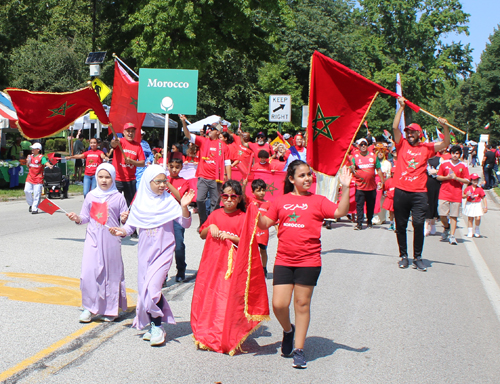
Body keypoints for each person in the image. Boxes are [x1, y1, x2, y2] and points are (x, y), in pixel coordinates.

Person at [257, 161, 352, 369]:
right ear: (291, 179)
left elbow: (340, 211)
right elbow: (264, 224)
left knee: (302, 304)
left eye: (309, 175)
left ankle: (299, 350)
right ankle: (288, 331)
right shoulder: (280, 201)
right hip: (284, 260)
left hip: (309, 261)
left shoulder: (318, 201)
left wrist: (345, 187)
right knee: (279, 305)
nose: (307, 178)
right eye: (302, 175)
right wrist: (253, 210)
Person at [110, 165, 194, 346]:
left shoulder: (170, 202)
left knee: (153, 289)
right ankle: (152, 325)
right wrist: (120, 231)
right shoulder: (139, 203)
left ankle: (157, 326)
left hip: (163, 253)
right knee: (145, 291)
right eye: (159, 181)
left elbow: (185, 224)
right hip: (144, 255)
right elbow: (130, 227)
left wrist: (184, 207)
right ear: (148, 183)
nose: (163, 185)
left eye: (165, 181)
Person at [392, 97, 450, 271]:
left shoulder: (426, 148)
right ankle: (403, 255)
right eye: (408, 132)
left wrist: (445, 126)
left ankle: (417, 257)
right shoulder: (401, 144)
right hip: (401, 191)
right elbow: (395, 127)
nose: (409, 135)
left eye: (413, 132)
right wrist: (401, 108)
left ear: (419, 134)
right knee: (400, 225)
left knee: (418, 224)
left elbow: (446, 143)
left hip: (419, 193)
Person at [66, 163, 129, 323]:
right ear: (96, 178)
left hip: (111, 240)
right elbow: (85, 217)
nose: (104, 180)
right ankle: (89, 308)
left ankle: (110, 309)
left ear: (113, 178)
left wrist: (124, 219)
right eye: (100, 177)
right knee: (89, 273)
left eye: (107, 177)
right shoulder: (91, 196)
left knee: (111, 274)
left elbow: (125, 221)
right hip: (92, 239)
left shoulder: (119, 197)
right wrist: (77, 218)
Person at [180, 114, 231, 227]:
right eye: (209, 129)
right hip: (203, 176)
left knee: (215, 202)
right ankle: (203, 222)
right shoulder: (203, 141)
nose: (209, 131)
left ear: (218, 132)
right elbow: (187, 134)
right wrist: (183, 122)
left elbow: (227, 163)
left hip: (216, 179)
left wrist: (229, 180)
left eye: (212, 129)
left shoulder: (224, 146)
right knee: (200, 200)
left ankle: (212, 223)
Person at [436, 145, 469, 245]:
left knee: (454, 216)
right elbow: (438, 177)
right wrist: (447, 177)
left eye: (457, 153)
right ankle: (446, 227)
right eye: (454, 153)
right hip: (444, 192)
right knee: (442, 214)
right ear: (451, 153)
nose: (455, 155)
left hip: (456, 193)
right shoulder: (445, 163)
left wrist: (456, 178)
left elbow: (467, 180)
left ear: (460, 154)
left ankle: (452, 236)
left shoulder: (463, 165)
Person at [350, 138, 384, 230]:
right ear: (358, 146)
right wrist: (352, 168)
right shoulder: (355, 157)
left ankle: (369, 221)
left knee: (370, 205)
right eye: (361, 145)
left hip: (371, 186)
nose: (363, 146)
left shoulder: (373, 156)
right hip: (360, 186)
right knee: (359, 205)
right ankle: (359, 223)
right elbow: (352, 168)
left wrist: (381, 181)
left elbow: (379, 170)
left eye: (365, 144)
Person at [111, 123, 146, 206]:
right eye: (128, 131)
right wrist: (114, 142)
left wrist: (132, 162)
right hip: (117, 179)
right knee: (115, 204)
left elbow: (142, 163)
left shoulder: (138, 146)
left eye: (132, 131)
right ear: (124, 132)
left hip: (130, 180)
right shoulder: (120, 141)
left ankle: (128, 219)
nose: (130, 133)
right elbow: (113, 144)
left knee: (130, 205)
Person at [167, 157, 191, 282]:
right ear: (168, 166)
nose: (174, 169)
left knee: (179, 245)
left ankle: (181, 269)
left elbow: (180, 198)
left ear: (181, 168)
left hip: (177, 217)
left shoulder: (184, 182)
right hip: (164, 217)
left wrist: (168, 184)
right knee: (163, 246)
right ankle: (163, 274)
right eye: (171, 167)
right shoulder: (162, 179)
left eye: (177, 167)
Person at [248, 178, 271, 277]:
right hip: (252, 231)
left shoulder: (269, 204)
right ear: (253, 191)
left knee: (263, 250)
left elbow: (273, 219)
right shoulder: (250, 201)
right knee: (251, 251)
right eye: (258, 190)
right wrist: (244, 185)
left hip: (263, 232)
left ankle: (264, 268)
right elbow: (242, 197)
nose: (261, 193)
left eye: (263, 190)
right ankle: (251, 269)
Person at [25, 143, 53, 214]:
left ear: (38, 150)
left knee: (37, 194)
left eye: (34, 148)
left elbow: (45, 162)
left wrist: (49, 165)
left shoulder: (41, 157)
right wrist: (27, 160)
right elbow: (27, 165)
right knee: (27, 191)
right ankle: (31, 204)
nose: (32, 150)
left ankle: (34, 208)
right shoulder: (30, 156)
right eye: (32, 148)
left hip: (38, 178)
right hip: (30, 177)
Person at [463, 174, 487, 238]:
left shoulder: (480, 189)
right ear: (471, 181)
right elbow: (463, 196)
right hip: (470, 203)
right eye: (474, 180)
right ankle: (470, 231)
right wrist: (467, 195)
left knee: (478, 217)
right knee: (470, 218)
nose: (475, 181)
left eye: (477, 180)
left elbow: (483, 197)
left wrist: (485, 207)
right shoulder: (468, 188)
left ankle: (477, 230)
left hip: (477, 203)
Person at [424, 153, 442, 236]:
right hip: (425, 183)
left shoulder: (440, 159)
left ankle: (433, 224)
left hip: (436, 183)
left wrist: (437, 171)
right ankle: (426, 226)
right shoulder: (425, 158)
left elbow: (444, 170)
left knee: (434, 203)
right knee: (427, 203)